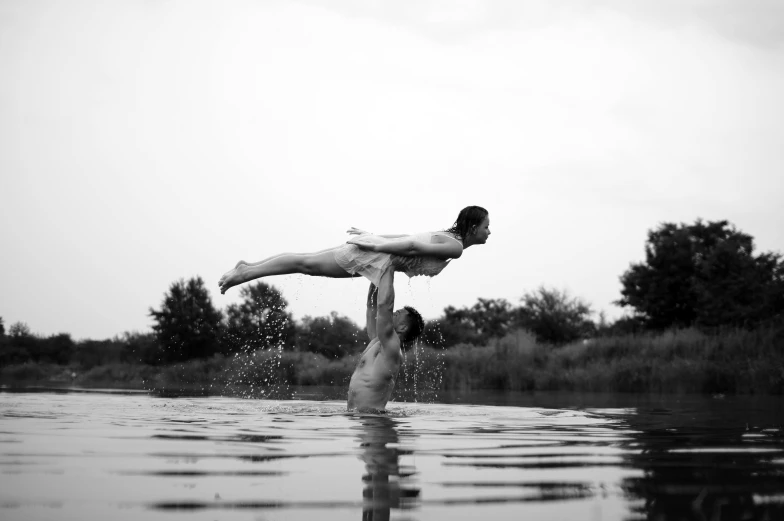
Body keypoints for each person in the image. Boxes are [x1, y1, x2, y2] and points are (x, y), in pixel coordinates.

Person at [218, 205, 490, 294]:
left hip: (376, 255)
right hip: (373, 255)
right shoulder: (455, 248)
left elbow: (409, 239)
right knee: (306, 264)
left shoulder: (447, 238)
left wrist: (374, 236)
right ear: (474, 227)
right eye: (486, 226)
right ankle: (246, 273)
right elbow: (409, 245)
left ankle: (248, 268)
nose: (489, 232)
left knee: (307, 261)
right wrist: (375, 242)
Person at [347, 267, 424, 413]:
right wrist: (376, 273)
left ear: (402, 328)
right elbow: (372, 306)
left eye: (397, 314)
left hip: (375, 422)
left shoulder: (392, 348)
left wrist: (388, 268)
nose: (392, 314)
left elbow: (384, 306)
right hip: (360, 419)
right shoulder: (377, 340)